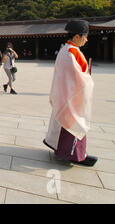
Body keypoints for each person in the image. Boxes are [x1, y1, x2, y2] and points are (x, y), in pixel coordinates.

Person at [43, 20, 97, 167]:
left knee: (64, 125)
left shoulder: (65, 50)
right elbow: (78, 77)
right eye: (85, 36)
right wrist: (88, 81)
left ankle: (64, 151)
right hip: (71, 96)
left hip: (65, 94)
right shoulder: (71, 52)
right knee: (74, 125)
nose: (86, 39)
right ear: (77, 37)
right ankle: (74, 155)